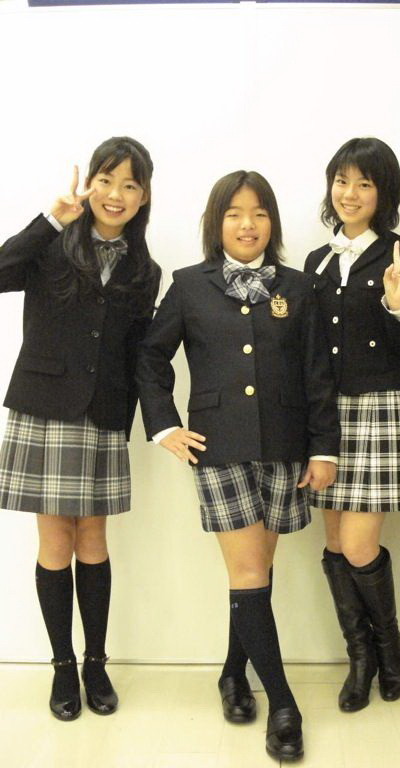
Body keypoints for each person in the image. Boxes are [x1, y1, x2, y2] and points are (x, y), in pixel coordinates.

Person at [136, 170, 340, 762]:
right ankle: (284, 706)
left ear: (272, 221)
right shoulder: (188, 285)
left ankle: (232, 672)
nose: (247, 225)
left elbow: (317, 372)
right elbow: (150, 357)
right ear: (215, 222)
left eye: (258, 213)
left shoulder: (299, 287)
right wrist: (165, 425)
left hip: (285, 444)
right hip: (218, 445)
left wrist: (323, 448)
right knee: (249, 572)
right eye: (234, 214)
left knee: (256, 571)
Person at [0, 136, 161, 721]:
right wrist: (51, 219)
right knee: (55, 543)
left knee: (93, 540)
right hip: (45, 408)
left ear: (143, 196)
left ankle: (96, 662)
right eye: (106, 180)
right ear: (90, 183)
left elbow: (140, 353)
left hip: (102, 414)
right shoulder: (52, 243)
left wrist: (141, 420)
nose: (116, 194)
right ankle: (62, 666)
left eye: (129, 184)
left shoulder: (145, 270)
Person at [304, 137, 400, 712]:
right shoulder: (317, 261)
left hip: (381, 407)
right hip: (327, 413)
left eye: (365, 184)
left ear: (383, 193)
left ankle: (390, 649)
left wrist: (399, 306)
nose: (349, 194)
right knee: (333, 541)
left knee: (357, 544)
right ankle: (363, 659)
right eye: (342, 181)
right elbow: (307, 351)